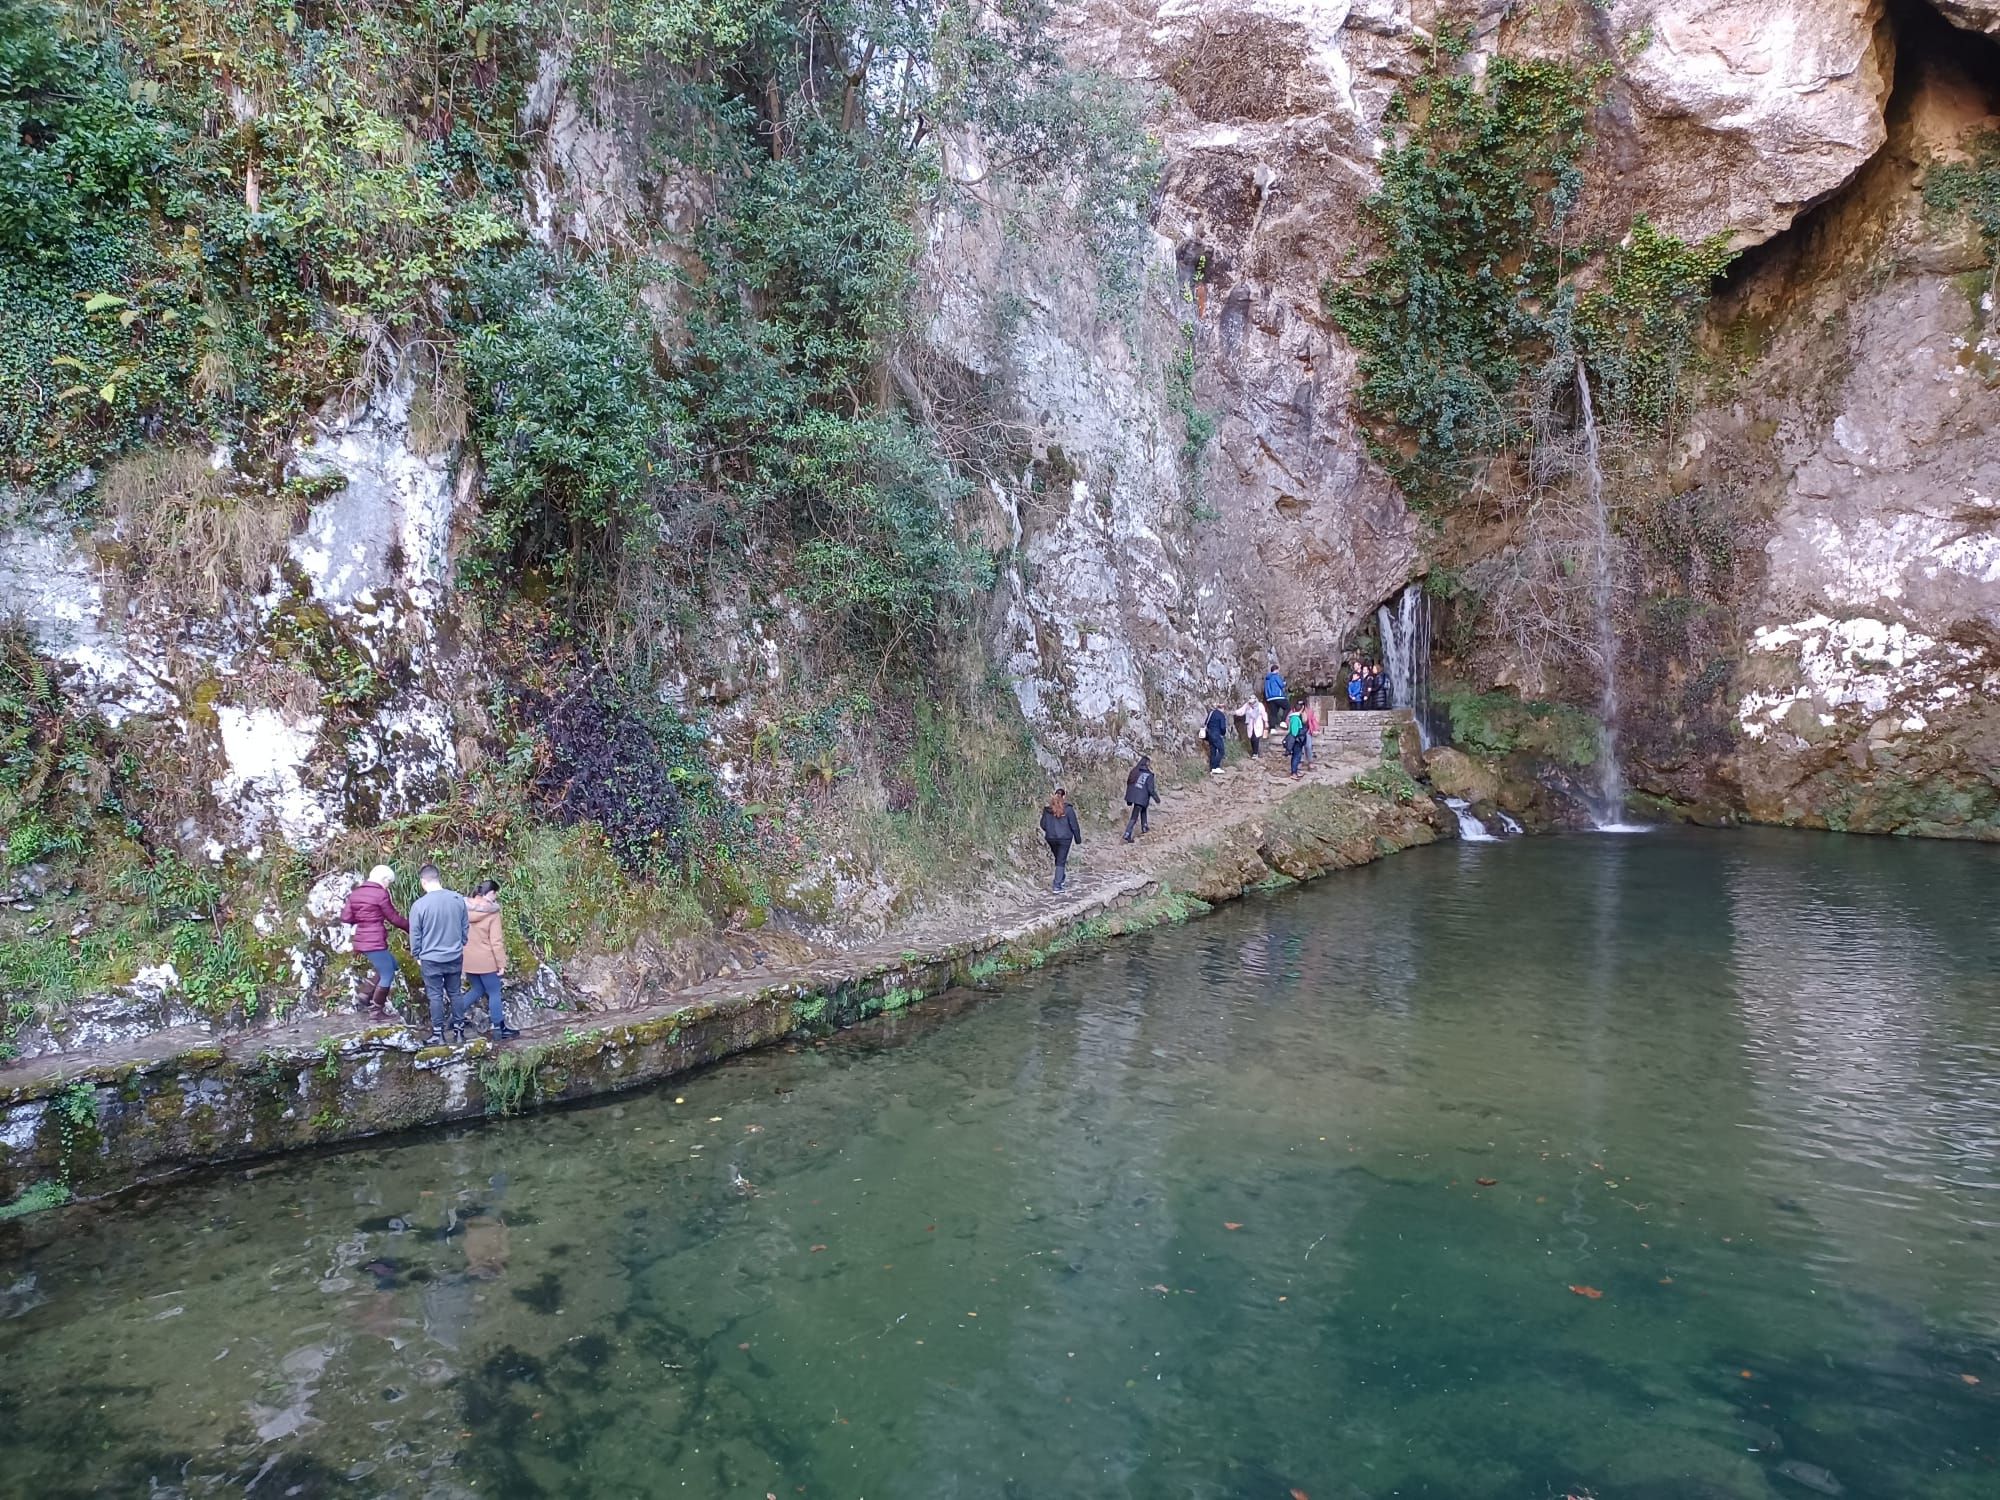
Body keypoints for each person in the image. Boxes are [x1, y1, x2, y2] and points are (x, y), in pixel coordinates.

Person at [409, 863, 470, 1045]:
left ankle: (439, 1035)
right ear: (438, 878)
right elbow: (464, 925)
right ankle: (459, 1032)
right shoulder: (457, 899)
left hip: (430, 958)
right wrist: (461, 943)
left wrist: (417, 954)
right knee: (455, 993)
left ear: (423, 881)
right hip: (454, 954)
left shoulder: (419, 905)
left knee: (435, 995)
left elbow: (415, 933)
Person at [339, 864, 408, 1015]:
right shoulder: (380, 894)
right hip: (375, 940)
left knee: (392, 964)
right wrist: (411, 928)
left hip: (362, 939)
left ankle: (365, 994)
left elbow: (346, 917)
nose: (388, 885)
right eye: (388, 882)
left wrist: (363, 920)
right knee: (387, 974)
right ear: (383, 879)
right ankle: (376, 1011)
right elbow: (394, 918)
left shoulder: (355, 894)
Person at [462, 879, 519, 1041]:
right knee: (494, 992)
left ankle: (454, 1016)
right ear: (490, 893)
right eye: (495, 894)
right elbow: (496, 941)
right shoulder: (492, 913)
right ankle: (499, 1028)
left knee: (477, 989)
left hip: (468, 960)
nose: (496, 898)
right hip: (486, 960)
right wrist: (501, 964)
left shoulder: (462, 908)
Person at [1039, 788, 1083, 892]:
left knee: (1059, 858)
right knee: (1061, 860)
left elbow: (1043, 825)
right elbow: (1074, 825)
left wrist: (1050, 830)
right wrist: (1078, 839)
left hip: (1051, 838)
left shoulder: (1047, 810)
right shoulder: (1068, 809)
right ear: (1064, 797)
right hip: (1065, 838)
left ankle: (1061, 877)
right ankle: (1057, 885)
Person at [1123, 755, 1161, 841]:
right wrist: (1156, 798)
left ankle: (1144, 826)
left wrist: (1129, 798)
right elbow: (1150, 789)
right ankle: (1127, 833)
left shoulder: (1135, 772)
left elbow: (1130, 784)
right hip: (1142, 797)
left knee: (1143, 809)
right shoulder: (1149, 775)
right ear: (1147, 764)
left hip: (1134, 796)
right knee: (1135, 816)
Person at [1204, 704, 1229, 773]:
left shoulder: (1211, 713)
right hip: (1216, 735)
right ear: (1223, 708)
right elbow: (1223, 727)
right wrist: (1223, 733)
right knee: (1221, 751)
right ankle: (1215, 766)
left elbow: (1206, 723)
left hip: (1209, 735)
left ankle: (1212, 768)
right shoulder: (1221, 715)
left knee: (1213, 751)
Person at [1263, 665, 1288, 732]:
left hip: (1270, 698)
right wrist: (1284, 683)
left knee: (1273, 713)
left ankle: (1272, 728)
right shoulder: (1276, 676)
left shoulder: (1267, 679)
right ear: (1276, 670)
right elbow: (1281, 685)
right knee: (1287, 707)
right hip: (1278, 696)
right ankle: (1282, 721)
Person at [1285, 707, 1308, 778]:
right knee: (1296, 756)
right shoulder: (1295, 718)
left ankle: (1295, 771)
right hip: (1296, 741)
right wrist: (1300, 734)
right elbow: (1294, 732)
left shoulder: (1295, 717)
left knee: (1297, 756)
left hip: (1297, 740)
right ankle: (1293, 773)